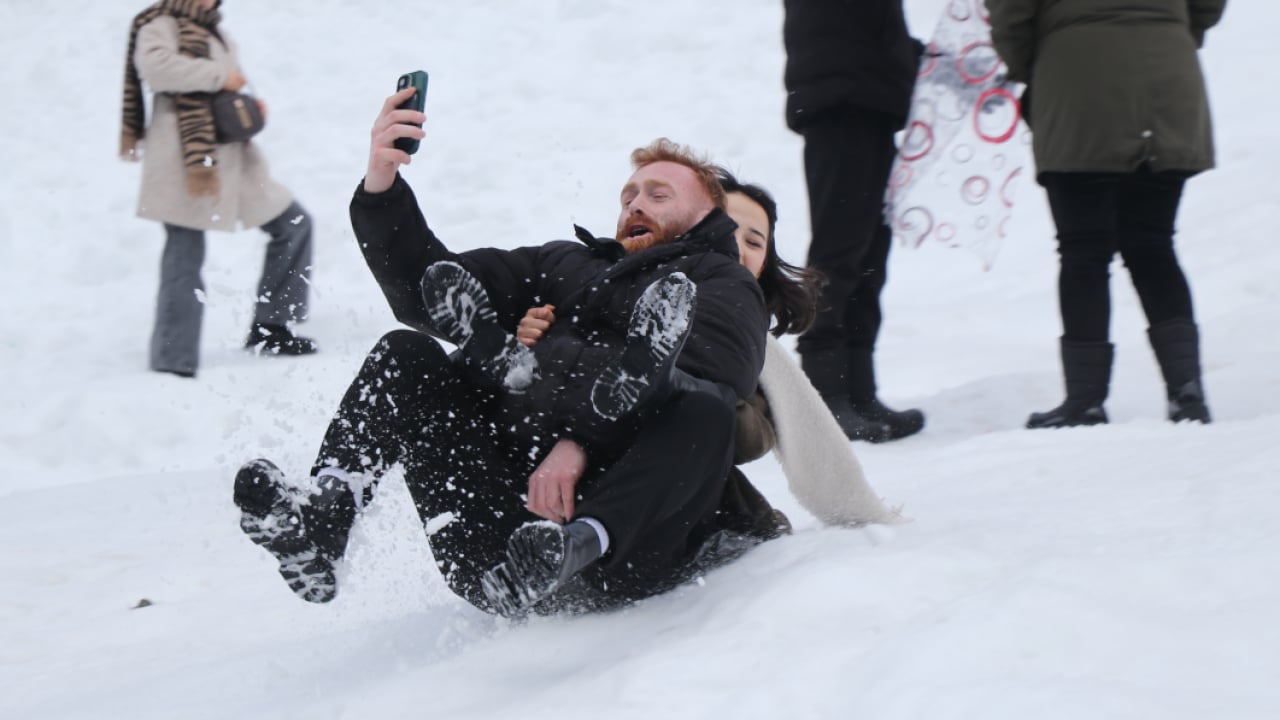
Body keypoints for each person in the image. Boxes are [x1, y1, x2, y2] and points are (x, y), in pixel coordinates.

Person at [232, 86, 769, 618]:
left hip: (620, 549)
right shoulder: (565, 263)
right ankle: (327, 518)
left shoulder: (721, 281)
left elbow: (712, 372)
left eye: (658, 195)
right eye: (628, 195)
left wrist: (577, 439)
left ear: (707, 215)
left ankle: (571, 531)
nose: (635, 204)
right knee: (407, 353)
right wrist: (382, 182)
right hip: (499, 549)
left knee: (701, 407)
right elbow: (431, 287)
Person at [986, 0, 1225, 428]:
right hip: (1169, 78)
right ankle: (1187, 394)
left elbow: (1010, 15)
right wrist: (1169, 31)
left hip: (1078, 80)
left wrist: (1037, 67)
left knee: (1084, 251)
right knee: (1153, 245)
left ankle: (1085, 401)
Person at [121, 0, 316, 378]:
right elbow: (157, 69)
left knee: (294, 223)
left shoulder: (214, 29)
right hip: (188, 161)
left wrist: (246, 105)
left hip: (235, 160)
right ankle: (172, 357)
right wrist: (220, 76)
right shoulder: (159, 23)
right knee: (184, 254)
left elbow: (225, 83)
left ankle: (271, 328)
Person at [782, 0, 927, 443]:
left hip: (870, 102)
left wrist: (917, 55)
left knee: (869, 256)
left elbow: (877, 30)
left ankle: (860, 391)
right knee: (839, 252)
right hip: (839, 100)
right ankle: (826, 398)